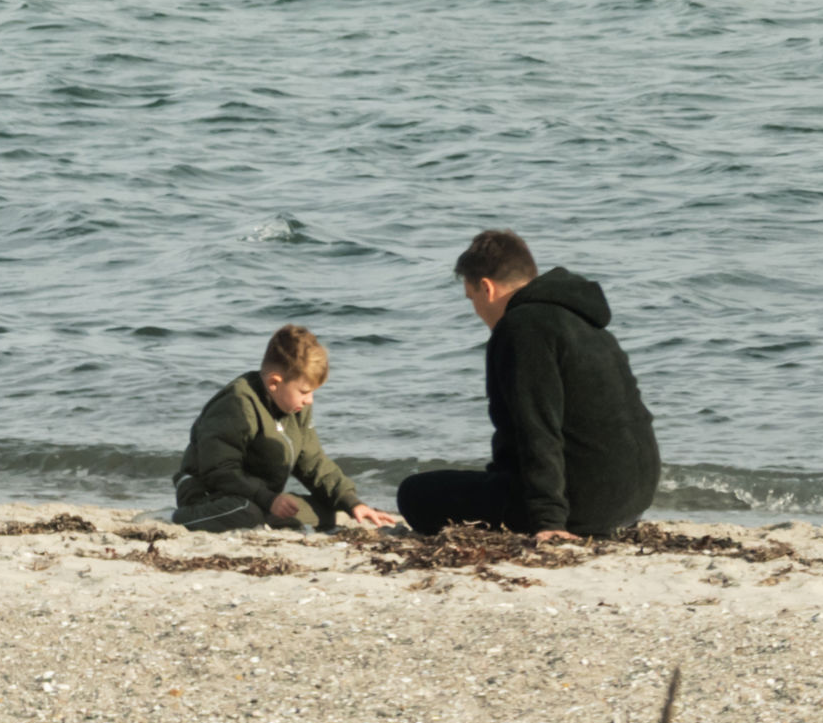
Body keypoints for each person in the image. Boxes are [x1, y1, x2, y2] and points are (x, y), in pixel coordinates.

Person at [396, 229, 661, 542]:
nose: (476, 311)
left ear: (486, 288)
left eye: (472, 299)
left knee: (415, 494)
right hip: (631, 501)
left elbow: (537, 428)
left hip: (581, 508)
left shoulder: (521, 328)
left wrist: (548, 520)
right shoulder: (585, 322)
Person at [174, 325, 380, 534]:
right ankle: (177, 518)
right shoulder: (236, 403)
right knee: (246, 513)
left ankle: (266, 516)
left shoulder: (296, 406)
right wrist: (268, 499)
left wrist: (351, 501)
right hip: (208, 493)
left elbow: (313, 461)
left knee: (327, 512)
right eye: (304, 391)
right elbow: (219, 471)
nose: (309, 400)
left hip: (259, 497)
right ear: (274, 383)